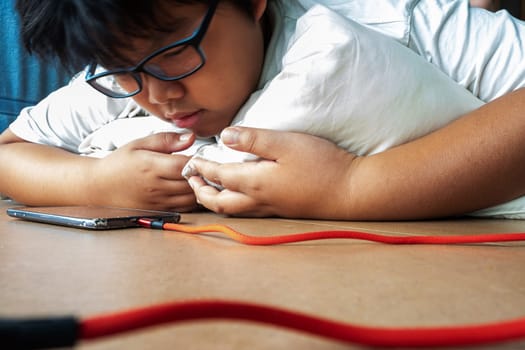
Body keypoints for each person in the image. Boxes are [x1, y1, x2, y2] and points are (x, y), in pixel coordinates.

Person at [0, 0, 523, 220]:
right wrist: (97, 184)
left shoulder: (397, 26)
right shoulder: (122, 77)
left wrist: (355, 187)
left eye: (175, 53)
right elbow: (10, 153)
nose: (157, 96)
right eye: (123, 72)